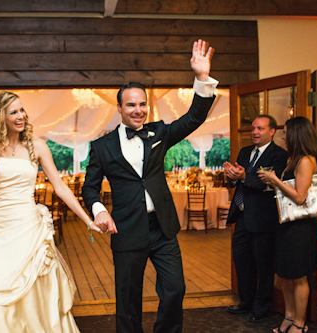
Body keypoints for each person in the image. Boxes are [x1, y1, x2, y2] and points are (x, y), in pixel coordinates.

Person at [0, 26, 101, 332]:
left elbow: (59, 187)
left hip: (28, 225)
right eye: (13, 112)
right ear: (0, 117)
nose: (20, 116)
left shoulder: (39, 147)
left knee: (34, 294)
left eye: (22, 110)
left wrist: (88, 220)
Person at [82, 39, 217, 333]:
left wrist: (202, 78)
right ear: (119, 108)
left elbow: (194, 117)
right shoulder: (102, 146)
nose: (138, 110)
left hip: (162, 228)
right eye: (131, 105)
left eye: (142, 104)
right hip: (127, 229)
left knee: (175, 290)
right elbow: (89, 188)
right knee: (127, 303)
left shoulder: (159, 132)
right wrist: (99, 210)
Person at [258, 117, 317, 333]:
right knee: (284, 274)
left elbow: (300, 197)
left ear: (296, 135)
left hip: (300, 227)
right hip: (286, 223)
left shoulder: (305, 160)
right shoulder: (293, 159)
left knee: (299, 275)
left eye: (286, 133)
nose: (283, 137)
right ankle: (289, 316)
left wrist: (275, 180)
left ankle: (300, 323)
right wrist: (275, 182)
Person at [224, 115, 287, 323]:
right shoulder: (245, 152)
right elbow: (236, 181)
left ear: (272, 131)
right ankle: (246, 302)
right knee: (242, 261)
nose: (255, 132)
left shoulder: (279, 155)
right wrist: (232, 177)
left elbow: (268, 186)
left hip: (263, 218)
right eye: (253, 128)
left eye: (260, 128)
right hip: (241, 215)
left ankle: (262, 308)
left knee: (263, 265)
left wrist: (243, 177)